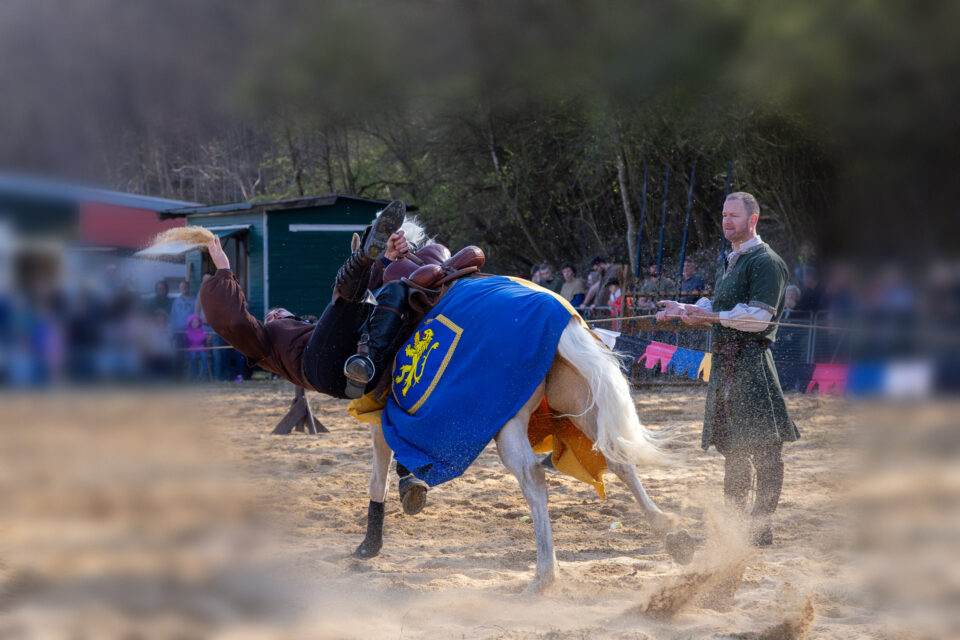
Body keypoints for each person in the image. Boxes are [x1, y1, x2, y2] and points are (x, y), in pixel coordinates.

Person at [200, 201, 430, 515]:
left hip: (360, 362)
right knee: (344, 302)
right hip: (320, 367)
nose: (276, 311)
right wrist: (224, 270)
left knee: (388, 298)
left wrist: (390, 257)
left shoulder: (308, 326)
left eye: (279, 311)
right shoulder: (264, 342)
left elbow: (365, 295)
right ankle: (365, 253)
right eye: (272, 314)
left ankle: (378, 256)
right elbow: (235, 322)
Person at [657, 191, 798, 546]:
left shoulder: (766, 262)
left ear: (753, 219)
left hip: (751, 362)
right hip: (725, 364)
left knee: (766, 450)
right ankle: (734, 528)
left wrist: (712, 315)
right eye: (723, 216)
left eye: (733, 216)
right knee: (734, 449)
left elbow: (758, 317)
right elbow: (720, 307)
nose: (726, 222)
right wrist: (683, 310)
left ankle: (760, 528)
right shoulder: (730, 260)